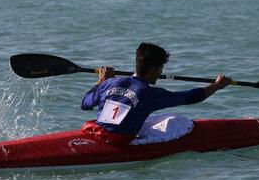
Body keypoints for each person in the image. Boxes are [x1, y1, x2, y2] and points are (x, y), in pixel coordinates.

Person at [80, 43, 232, 145]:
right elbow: (189, 97)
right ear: (153, 69)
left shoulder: (109, 83)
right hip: (117, 143)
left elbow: (85, 104)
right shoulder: (150, 94)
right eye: (160, 69)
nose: (161, 73)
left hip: (95, 133)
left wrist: (101, 81)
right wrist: (216, 85)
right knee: (177, 121)